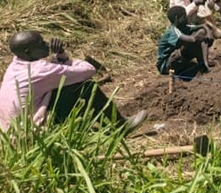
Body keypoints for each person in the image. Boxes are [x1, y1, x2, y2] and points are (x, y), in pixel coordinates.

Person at [0, 31, 146, 132]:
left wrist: (60, 56)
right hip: (30, 134)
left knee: (63, 87)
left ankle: (87, 123)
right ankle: (120, 126)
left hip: (12, 132)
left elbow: (55, 71)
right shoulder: (39, 70)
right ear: (27, 51)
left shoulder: (16, 65)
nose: (46, 44)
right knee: (85, 86)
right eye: (41, 43)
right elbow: (88, 70)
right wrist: (62, 55)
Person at [157, 6, 212, 79]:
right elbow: (192, 40)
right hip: (165, 65)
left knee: (201, 33)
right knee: (195, 39)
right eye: (184, 17)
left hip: (176, 58)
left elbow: (202, 26)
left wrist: (207, 32)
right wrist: (205, 37)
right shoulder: (173, 31)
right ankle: (201, 65)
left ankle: (204, 64)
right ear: (177, 18)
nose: (186, 18)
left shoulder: (183, 26)